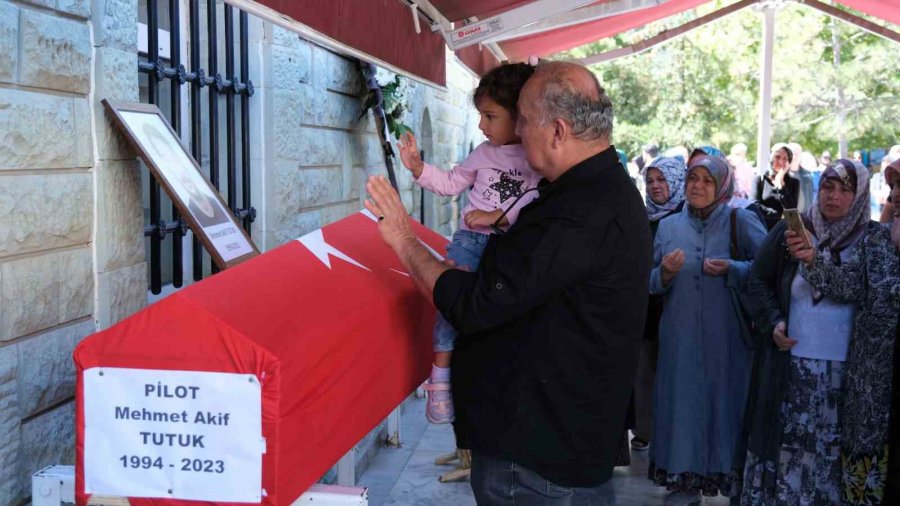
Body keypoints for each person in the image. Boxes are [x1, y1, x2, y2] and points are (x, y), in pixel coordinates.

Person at [364, 61, 651, 504]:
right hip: (554, 444)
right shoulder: (586, 192)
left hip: (537, 459)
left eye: (523, 118)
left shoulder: (581, 210)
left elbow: (477, 304)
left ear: (556, 131)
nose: (516, 129)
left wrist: (403, 238)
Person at [395, 63, 542, 425]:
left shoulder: (534, 156)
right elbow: (450, 182)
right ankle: (441, 377)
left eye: (490, 116)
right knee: (450, 301)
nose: (482, 125)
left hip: (507, 248)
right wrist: (418, 168)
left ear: (520, 117)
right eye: (481, 116)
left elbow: (538, 197)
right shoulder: (482, 153)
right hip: (469, 243)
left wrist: (499, 216)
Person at [741, 159, 873, 505]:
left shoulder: (872, 241)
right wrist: (774, 322)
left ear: (860, 196)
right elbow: (758, 280)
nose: (834, 196)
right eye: (828, 187)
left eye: (846, 189)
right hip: (791, 369)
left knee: (828, 456)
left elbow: (863, 293)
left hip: (844, 377)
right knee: (786, 449)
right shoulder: (791, 232)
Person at [648, 155, 767, 504]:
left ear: (721, 186)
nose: (697, 186)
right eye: (692, 179)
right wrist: (663, 276)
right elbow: (647, 282)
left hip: (727, 342)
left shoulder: (739, 221)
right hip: (680, 341)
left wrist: (735, 268)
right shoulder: (669, 227)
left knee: (726, 413)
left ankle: (735, 490)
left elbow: (768, 270)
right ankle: (682, 491)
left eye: (707, 181)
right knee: (681, 415)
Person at [786, 160, 900, 505]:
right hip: (873, 393)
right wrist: (811, 260)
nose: (895, 195)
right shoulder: (877, 241)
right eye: (895, 191)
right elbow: (847, 285)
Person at [631, 156, 686, 453]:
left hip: (677, 308)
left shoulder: (686, 217)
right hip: (645, 308)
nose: (655, 186)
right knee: (644, 370)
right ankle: (645, 430)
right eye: (650, 181)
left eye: (662, 180)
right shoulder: (641, 217)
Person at [755, 144, 799, 229]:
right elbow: (754, 205)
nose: (781, 162)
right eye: (777, 157)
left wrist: (781, 185)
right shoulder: (759, 180)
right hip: (761, 227)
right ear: (771, 159)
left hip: (783, 231)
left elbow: (791, 209)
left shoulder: (794, 183)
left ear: (789, 163)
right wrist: (776, 214)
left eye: (785, 159)